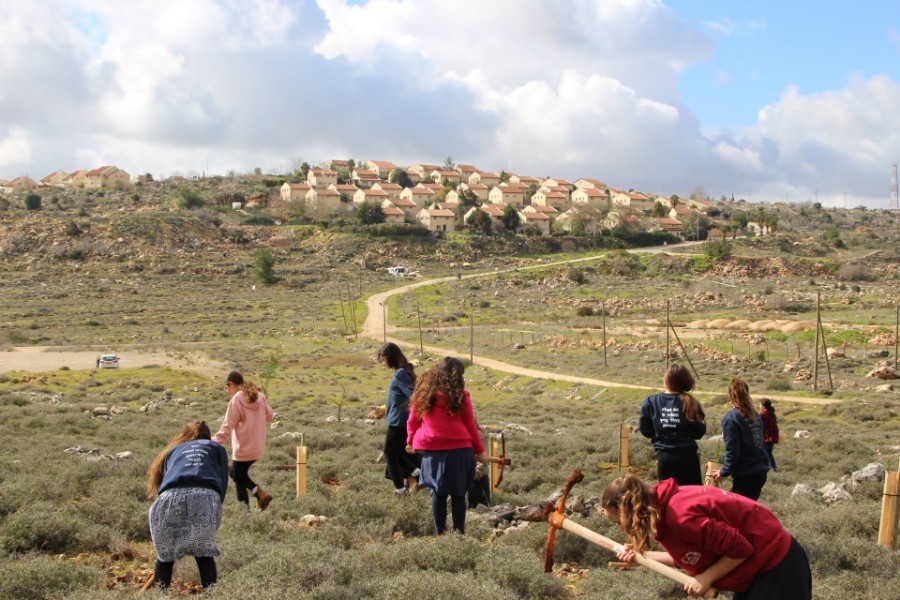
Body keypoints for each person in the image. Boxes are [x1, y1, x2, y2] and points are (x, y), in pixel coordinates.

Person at [601, 473, 811, 599]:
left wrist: (705, 578)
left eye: (618, 521)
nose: (620, 528)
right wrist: (642, 557)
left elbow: (740, 549)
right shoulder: (662, 510)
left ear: (631, 512)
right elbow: (690, 555)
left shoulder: (680, 517)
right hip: (760, 568)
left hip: (777, 566)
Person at [406, 357, 488, 534]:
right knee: (459, 494)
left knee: (438, 493)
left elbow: (412, 421)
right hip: (461, 451)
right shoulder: (460, 396)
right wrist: (480, 451)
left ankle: (440, 533)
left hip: (434, 452)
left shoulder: (423, 395)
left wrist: (411, 441)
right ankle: (459, 534)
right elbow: (470, 425)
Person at [147, 420, 229, 591]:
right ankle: (211, 595)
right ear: (208, 436)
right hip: (204, 497)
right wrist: (213, 509)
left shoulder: (172, 450)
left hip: (168, 499)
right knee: (204, 553)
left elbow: (163, 482)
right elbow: (222, 482)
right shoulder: (216, 448)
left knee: (165, 557)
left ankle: (159, 596)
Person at [213, 370, 274, 509]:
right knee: (239, 477)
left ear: (232, 384)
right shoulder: (259, 396)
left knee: (236, 475)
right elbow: (269, 416)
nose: (227, 390)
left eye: (226, 387)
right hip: (257, 447)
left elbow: (227, 427)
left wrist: (211, 442)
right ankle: (252, 502)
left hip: (243, 448)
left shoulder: (236, 400)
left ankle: (257, 496)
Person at [639, 364, 707, 485]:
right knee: (692, 496)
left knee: (668, 496)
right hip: (689, 457)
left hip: (665, 456)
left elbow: (645, 429)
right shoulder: (692, 402)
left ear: (666, 380)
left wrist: (660, 433)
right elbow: (699, 431)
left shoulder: (651, 401)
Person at [709, 379, 770, 500]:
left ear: (730, 395)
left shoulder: (731, 418)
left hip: (746, 475)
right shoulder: (756, 415)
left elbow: (732, 451)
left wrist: (723, 472)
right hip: (760, 471)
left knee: (735, 513)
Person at [377, 342, 422, 496]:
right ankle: (415, 473)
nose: (383, 364)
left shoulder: (401, 373)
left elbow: (413, 396)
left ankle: (401, 489)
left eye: (383, 360)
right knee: (396, 453)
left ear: (390, 358)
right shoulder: (401, 372)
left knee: (389, 454)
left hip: (399, 421)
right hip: (398, 419)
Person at [760, 398, 779, 472]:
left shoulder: (763, 415)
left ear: (763, 406)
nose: (759, 406)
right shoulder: (772, 414)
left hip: (766, 437)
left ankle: (773, 467)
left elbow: (760, 426)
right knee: (768, 453)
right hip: (773, 437)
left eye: (760, 405)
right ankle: (769, 467)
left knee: (767, 453)